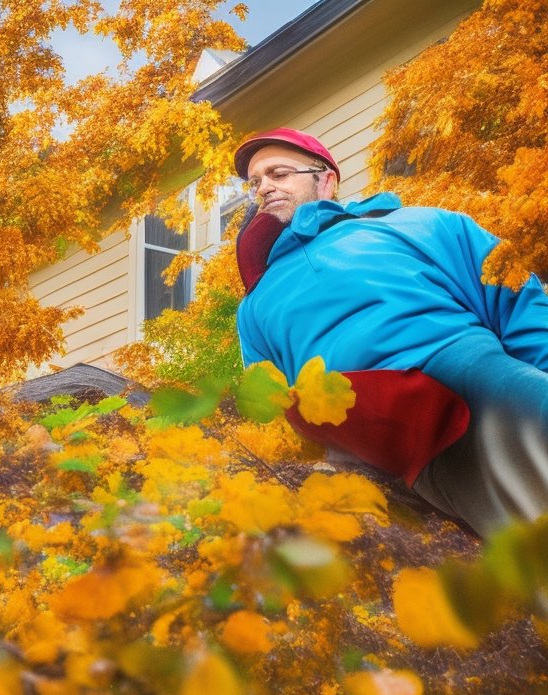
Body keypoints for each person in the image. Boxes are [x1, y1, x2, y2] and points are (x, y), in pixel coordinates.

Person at [233, 127, 548, 537]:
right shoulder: (254, 306)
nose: (263, 188)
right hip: (373, 438)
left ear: (325, 178)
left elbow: (516, 301)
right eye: (254, 182)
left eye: (278, 173)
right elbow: (269, 412)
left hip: (469, 370)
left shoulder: (423, 224)